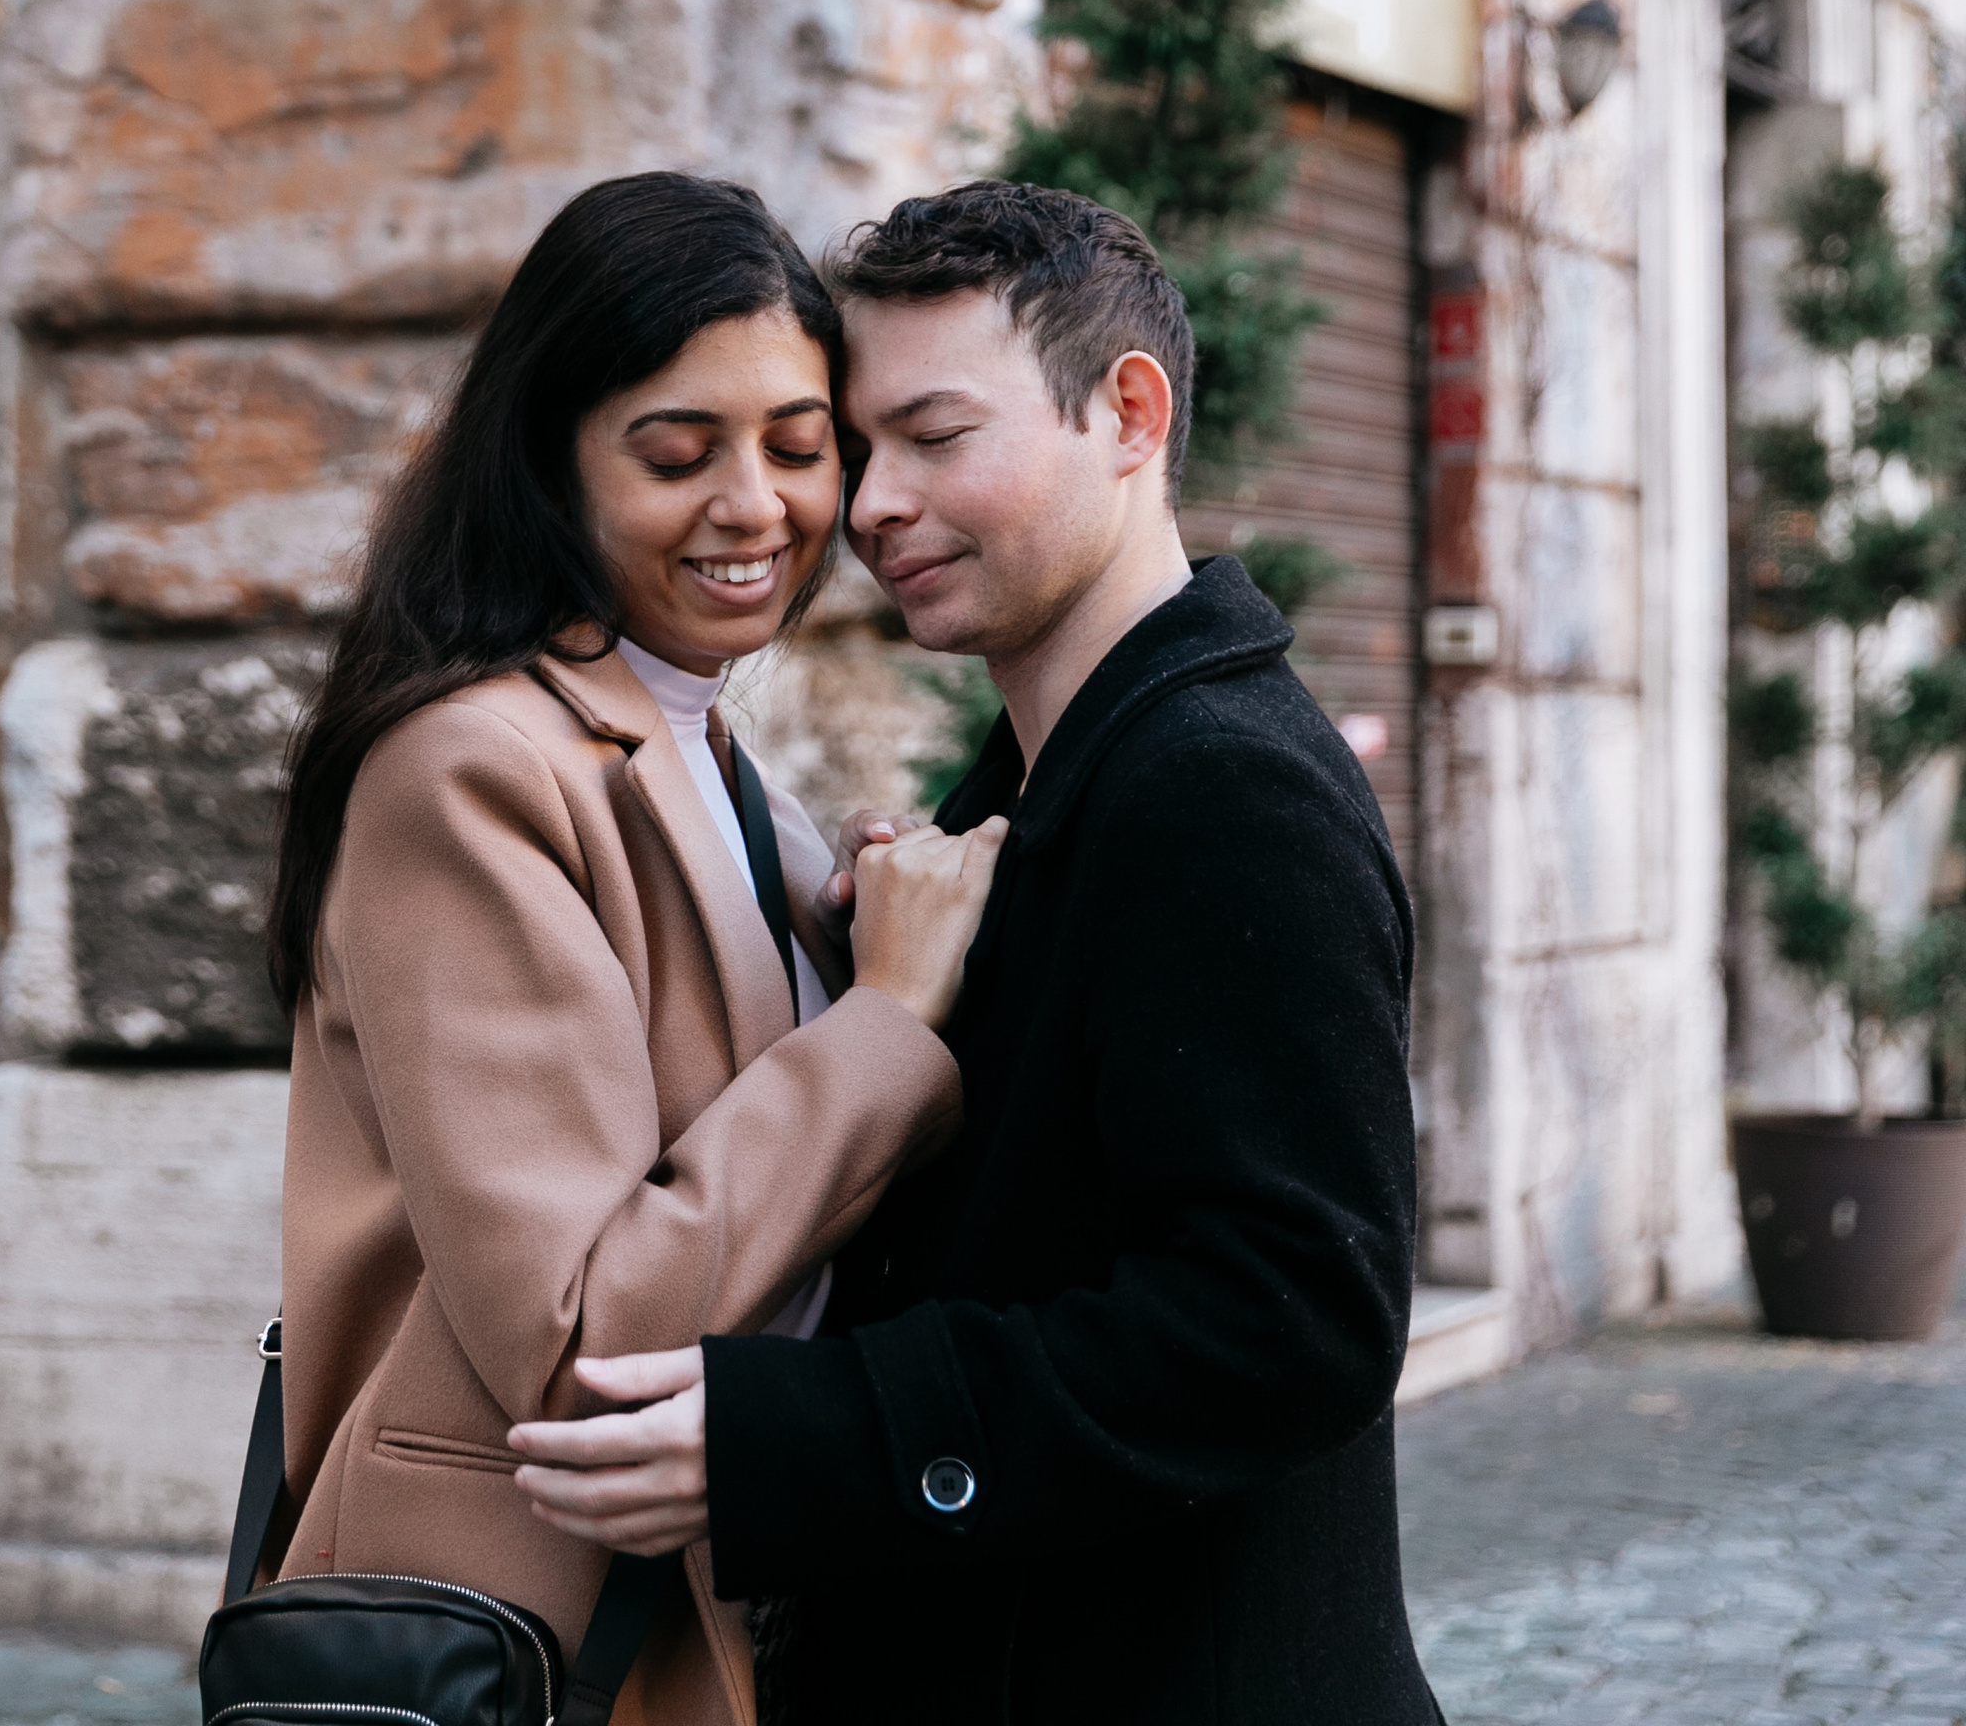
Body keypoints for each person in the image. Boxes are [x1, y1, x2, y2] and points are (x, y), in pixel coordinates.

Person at [509, 178, 1443, 1726]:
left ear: (1128, 416)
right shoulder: (1044, 783)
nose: (869, 506)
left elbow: (1291, 1321)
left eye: (939, 440)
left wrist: (810, 1437)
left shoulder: (1222, 782)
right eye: (859, 450)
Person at [260, 170, 1006, 1726]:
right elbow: (584, 1338)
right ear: (552, 461)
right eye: (679, 454)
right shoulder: (467, 767)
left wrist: (834, 922)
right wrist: (882, 1019)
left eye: (801, 448)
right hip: (526, 1634)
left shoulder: (698, 747)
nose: (757, 506)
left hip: (688, 1601)